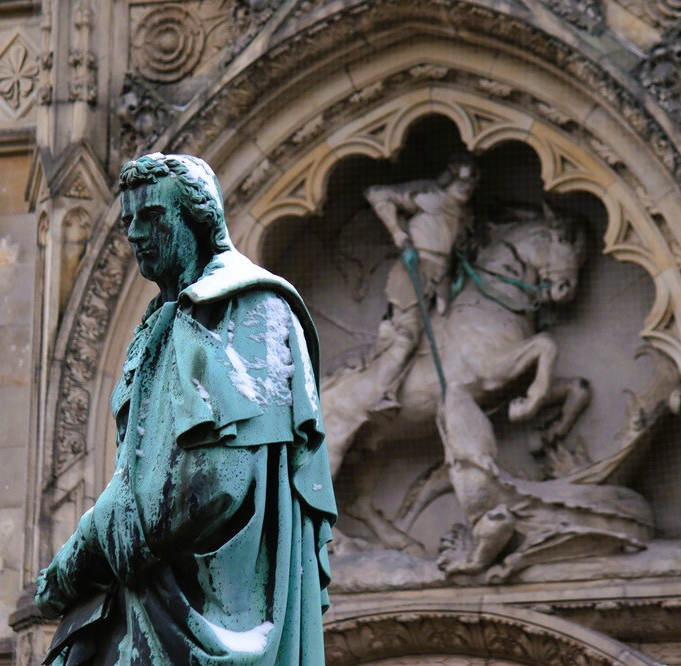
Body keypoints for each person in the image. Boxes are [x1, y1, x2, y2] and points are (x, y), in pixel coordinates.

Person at [35, 153, 337, 665]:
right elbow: (140, 474)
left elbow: (210, 482)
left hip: (213, 617)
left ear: (198, 219)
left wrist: (80, 554)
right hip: (148, 604)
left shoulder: (250, 307)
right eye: (128, 221)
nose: (134, 233)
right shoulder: (161, 324)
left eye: (151, 216)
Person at [363, 156, 479, 412]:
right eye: (461, 180)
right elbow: (377, 193)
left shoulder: (464, 215)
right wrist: (399, 235)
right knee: (408, 334)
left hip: (443, 279)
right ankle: (382, 391)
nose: (466, 186)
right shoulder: (430, 197)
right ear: (449, 178)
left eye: (471, 182)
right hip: (414, 270)